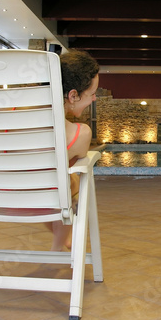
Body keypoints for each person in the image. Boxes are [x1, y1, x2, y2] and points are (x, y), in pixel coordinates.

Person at [45, 50, 99, 251]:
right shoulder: (81, 133)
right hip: (45, 203)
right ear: (73, 95)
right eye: (92, 93)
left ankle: (60, 241)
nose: (94, 99)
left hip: (1, 201)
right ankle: (58, 247)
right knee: (72, 180)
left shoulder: (6, 111)